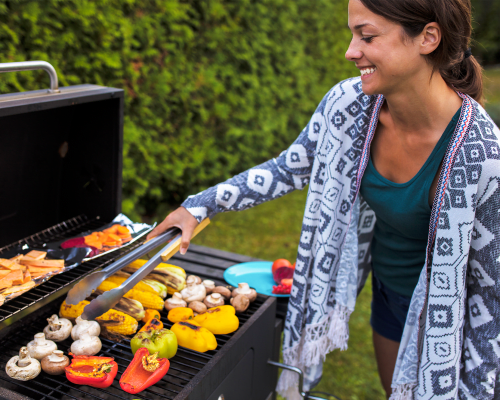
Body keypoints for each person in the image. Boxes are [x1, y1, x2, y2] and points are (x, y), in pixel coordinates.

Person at [148, 0, 500, 398]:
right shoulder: (349, 106)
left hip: (453, 316)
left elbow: (492, 291)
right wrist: (200, 205)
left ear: (428, 37)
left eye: (367, 36)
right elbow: (287, 168)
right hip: (389, 293)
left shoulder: (483, 156)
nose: (350, 51)